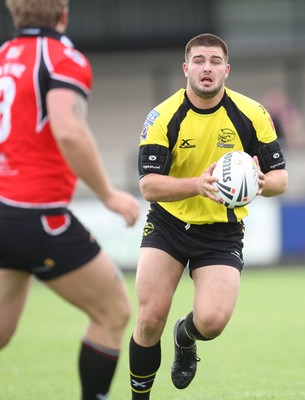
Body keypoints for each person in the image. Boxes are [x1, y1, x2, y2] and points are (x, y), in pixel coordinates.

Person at [129, 33, 288, 399]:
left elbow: (282, 178)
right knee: (150, 318)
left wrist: (260, 182)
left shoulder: (252, 113)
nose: (207, 68)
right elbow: (149, 186)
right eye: (199, 60)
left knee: (212, 322)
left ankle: (184, 337)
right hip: (168, 225)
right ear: (186, 68)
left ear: (226, 70)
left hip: (221, 231)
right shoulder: (163, 116)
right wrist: (197, 185)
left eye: (215, 61)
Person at [0, 1, 140, 399]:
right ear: (63, 13)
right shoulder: (63, 57)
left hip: (4, 210)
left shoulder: (3, 57)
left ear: (15, 14)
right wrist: (110, 194)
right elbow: (69, 131)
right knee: (113, 311)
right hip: (37, 215)